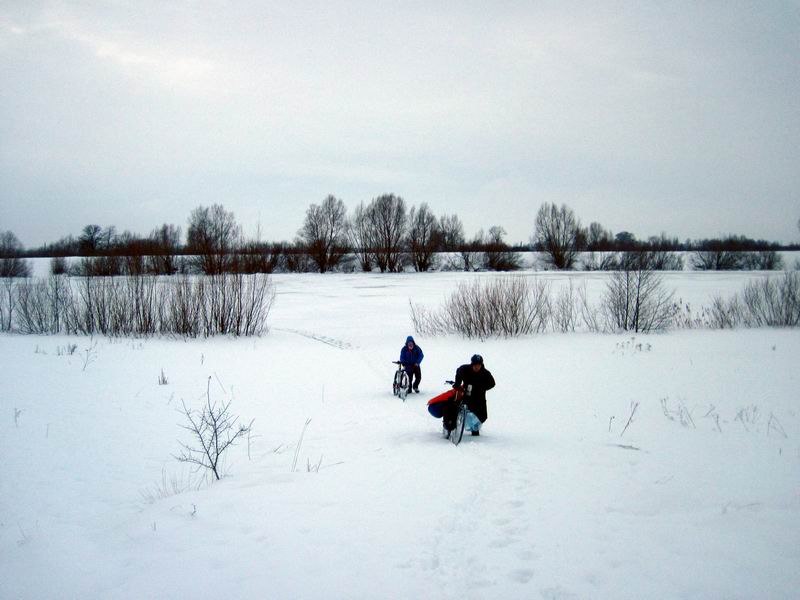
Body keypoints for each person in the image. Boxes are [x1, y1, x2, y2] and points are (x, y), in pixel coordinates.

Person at [444, 354, 495, 436]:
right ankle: (451, 426)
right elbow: (459, 371)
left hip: (480, 397)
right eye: (475, 365)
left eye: (479, 365)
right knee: (462, 410)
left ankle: (475, 429)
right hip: (467, 396)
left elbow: (492, 383)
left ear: (481, 365)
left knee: (482, 416)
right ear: (472, 364)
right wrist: (457, 384)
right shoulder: (465, 369)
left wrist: (481, 388)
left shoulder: (485, 373)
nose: (476, 367)